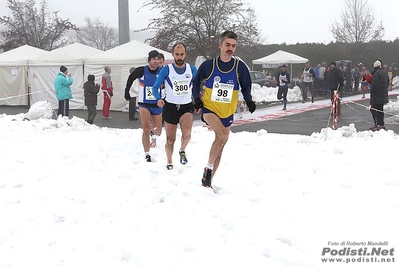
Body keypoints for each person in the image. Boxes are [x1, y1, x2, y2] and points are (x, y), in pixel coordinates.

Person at [192, 30, 256, 188]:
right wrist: (197, 100)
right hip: (210, 108)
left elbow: (246, 85)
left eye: (234, 46)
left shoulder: (239, 67)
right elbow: (195, 82)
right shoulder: (209, 65)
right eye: (227, 44)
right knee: (222, 136)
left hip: (227, 110)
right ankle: (208, 168)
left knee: (221, 143)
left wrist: (248, 99)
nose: (230, 48)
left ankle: (208, 181)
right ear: (220, 45)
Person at [151, 43, 197, 170]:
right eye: (177, 54)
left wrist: (199, 99)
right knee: (170, 139)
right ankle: (170, 161)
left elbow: (198, 85)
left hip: (186, 106)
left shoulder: (192, 69)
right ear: (173, 55)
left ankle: (182, 150)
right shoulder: (166, 69)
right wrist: (158, 98)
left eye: (182, 54)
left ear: (185, 54)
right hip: (170, 106)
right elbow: (155, 87)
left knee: (187, 133)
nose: (179, 57)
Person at [124, 50, 162, 162]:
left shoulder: (163, 71)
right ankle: (147, 154)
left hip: (157, 104)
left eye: (157, 59)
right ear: (149, 60)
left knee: (158, 130)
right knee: (145, 128)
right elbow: (131, 78)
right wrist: (127, 91)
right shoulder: (141, 70)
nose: (156, 61)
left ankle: (153, 136)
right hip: (144, 104)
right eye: (153, 59)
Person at [369, 60, 389, 131]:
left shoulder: (376, 73)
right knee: (380, 110)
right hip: (383, 94)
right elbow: (387, 83)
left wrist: (371, 91)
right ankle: (381, 124)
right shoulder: (384, 72)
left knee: (374, 109)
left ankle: (377, 124)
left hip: (377, 95)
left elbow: (375, 85)